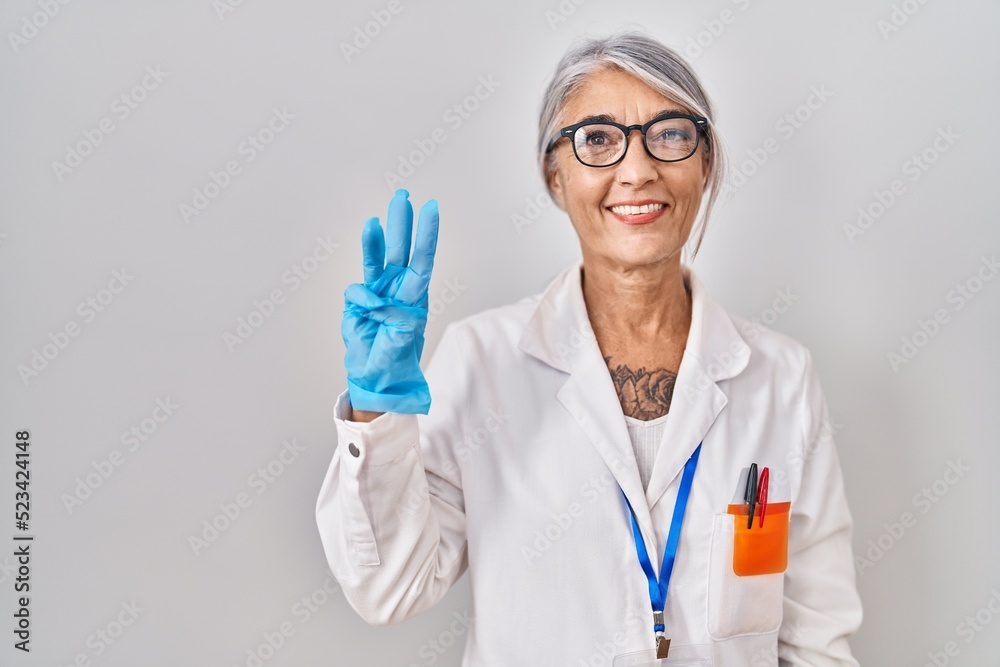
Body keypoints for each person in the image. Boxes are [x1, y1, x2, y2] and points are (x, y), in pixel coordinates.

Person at [315, 30, 862, 666]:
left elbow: (815, 641)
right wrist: (376, 413)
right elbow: (389, 588)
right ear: (555, 173)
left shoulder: (780, 379)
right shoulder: (483, 362)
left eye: (671, 134)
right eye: (597, 139)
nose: (637, 171)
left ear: (705, 162)